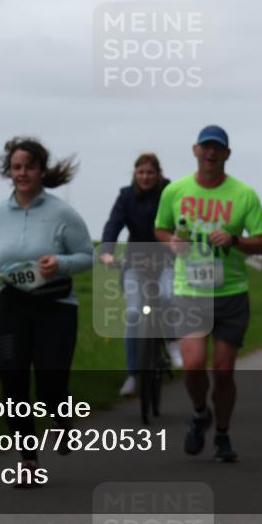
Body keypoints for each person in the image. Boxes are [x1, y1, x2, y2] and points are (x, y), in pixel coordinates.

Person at [0, 137, 94, 488]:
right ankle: (28, 461)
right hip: (12, 306)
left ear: (41, 170)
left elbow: (88, 256)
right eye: (16, 167)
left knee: (51, 381)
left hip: (55, 307)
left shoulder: (62, 214)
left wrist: (61, 263)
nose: (22, 173)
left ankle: (60, 417)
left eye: (29, 167)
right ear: (9, 171)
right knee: (13, 382)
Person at [154, 125, 262, 463]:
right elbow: (160, 227)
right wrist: (171, 241)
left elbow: (261, 242)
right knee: (192, 366)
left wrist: (234, 240)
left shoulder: (244, 194)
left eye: (217, 148)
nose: (210, 153)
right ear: (194, 150)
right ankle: (200, 412)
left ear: (227, 154)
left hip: (231, 291)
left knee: (223, 371)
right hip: (189, 289)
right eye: (205, 147)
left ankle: (221, 434)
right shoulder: (175, 191)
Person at [100, 153, 179, 398]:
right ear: (135, 174)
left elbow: (181, 222)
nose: (145, 177)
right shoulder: (126, 196)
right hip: (135, 263)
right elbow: (113, 224)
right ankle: (132, 375)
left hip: (165, 260)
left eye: (150, 173)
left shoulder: (170, 192)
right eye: (140, 172)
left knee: (167, 296)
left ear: (159, 175)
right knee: (134, 313)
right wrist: (107, 252)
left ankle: (174, 345)